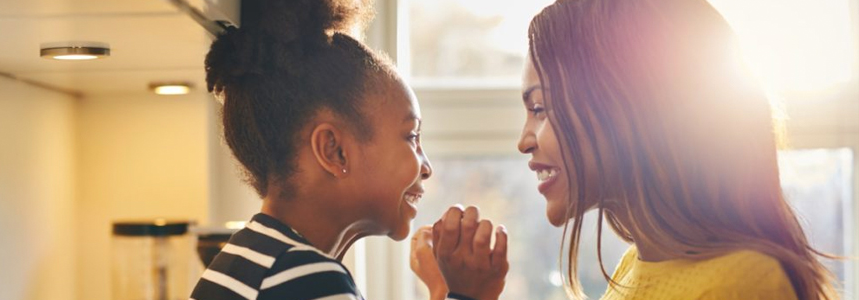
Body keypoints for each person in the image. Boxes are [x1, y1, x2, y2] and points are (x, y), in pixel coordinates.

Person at [415, 0, 839, 299]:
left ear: (627, 112)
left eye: (540, 108)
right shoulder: (635, 267)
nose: (524, 140)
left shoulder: (742, 284)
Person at [187, 1, 508, 299]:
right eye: (411, 136)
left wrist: (443, 289)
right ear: (334, 150)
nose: (426, 167)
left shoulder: (244, 260)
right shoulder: (309, 279)